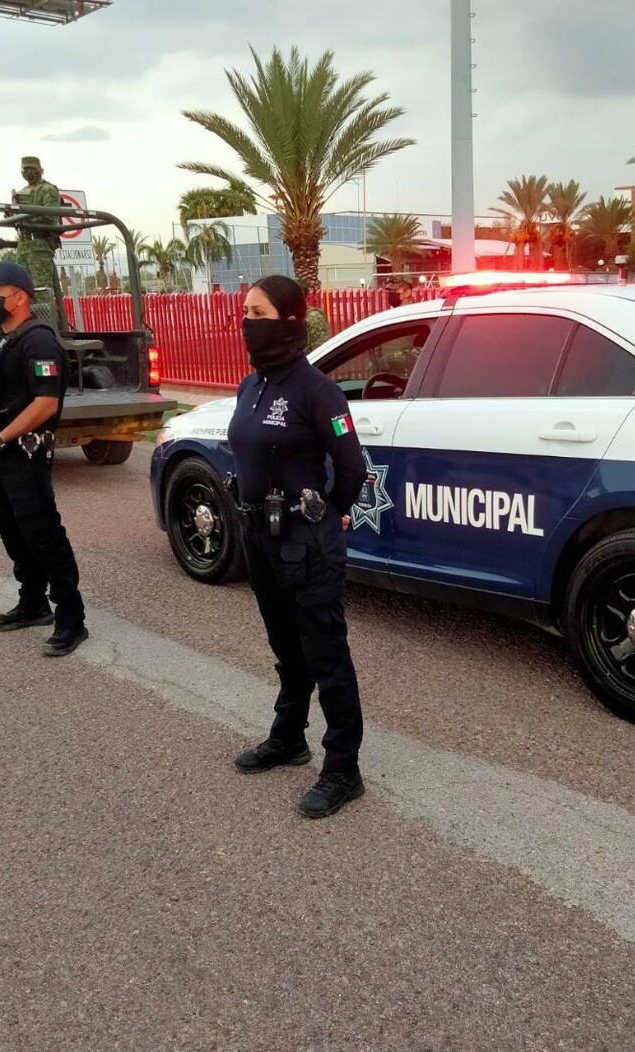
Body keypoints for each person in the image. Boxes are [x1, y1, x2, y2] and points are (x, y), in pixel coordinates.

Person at [225, 274, 369, 818]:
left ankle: (344, 769)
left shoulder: (318, 390)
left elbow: (352, 464)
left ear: (289, 322)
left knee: (325, 654)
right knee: (286, 647)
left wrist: (330, 512)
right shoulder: (251, 386)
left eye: (258, 313)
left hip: (306, 542)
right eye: (245, 312)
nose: (247, 323)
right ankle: (289, 737)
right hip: (259, 537)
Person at [0, 260, 87, 658]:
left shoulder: (39, 342)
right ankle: (33, 602)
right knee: (13, 534)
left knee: (44, 536)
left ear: (19, 297)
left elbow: (46, 404)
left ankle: (71, 618)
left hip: (24, 453)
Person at [8, 155, 63, 323]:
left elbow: (51, 216)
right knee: (22, 291)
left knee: (41, 291)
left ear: (40, 170)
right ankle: (28, 325)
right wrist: (12, 215)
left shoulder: (47, 190)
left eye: (32, 169)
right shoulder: (21, 192)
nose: (29, 173)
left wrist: (25, 218)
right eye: (25, 169)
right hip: (24, 244)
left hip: (39, 245)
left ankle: (45, 326)